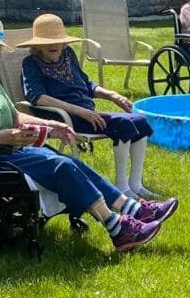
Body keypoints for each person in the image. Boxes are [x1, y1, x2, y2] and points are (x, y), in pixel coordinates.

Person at [0, 8, 177, 253]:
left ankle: (131, 209)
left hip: (5, 149)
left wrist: (51, 125)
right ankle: (117, 227)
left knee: (69, 162)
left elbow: (14, 116)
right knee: (63, 167)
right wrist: (4, 136)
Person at [19, 13, 160, 199]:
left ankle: (135, 184)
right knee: (123, 125)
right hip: (63, 118)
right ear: (37, 45)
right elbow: (37, 97)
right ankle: (121, 186)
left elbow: (86, 84)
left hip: (86, 113)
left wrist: (111, 95)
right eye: (46, 42)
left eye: (57, 41)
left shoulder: (68, 55)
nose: (53, 45)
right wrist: (79, 111)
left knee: (140, 121)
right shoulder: (30, 64)